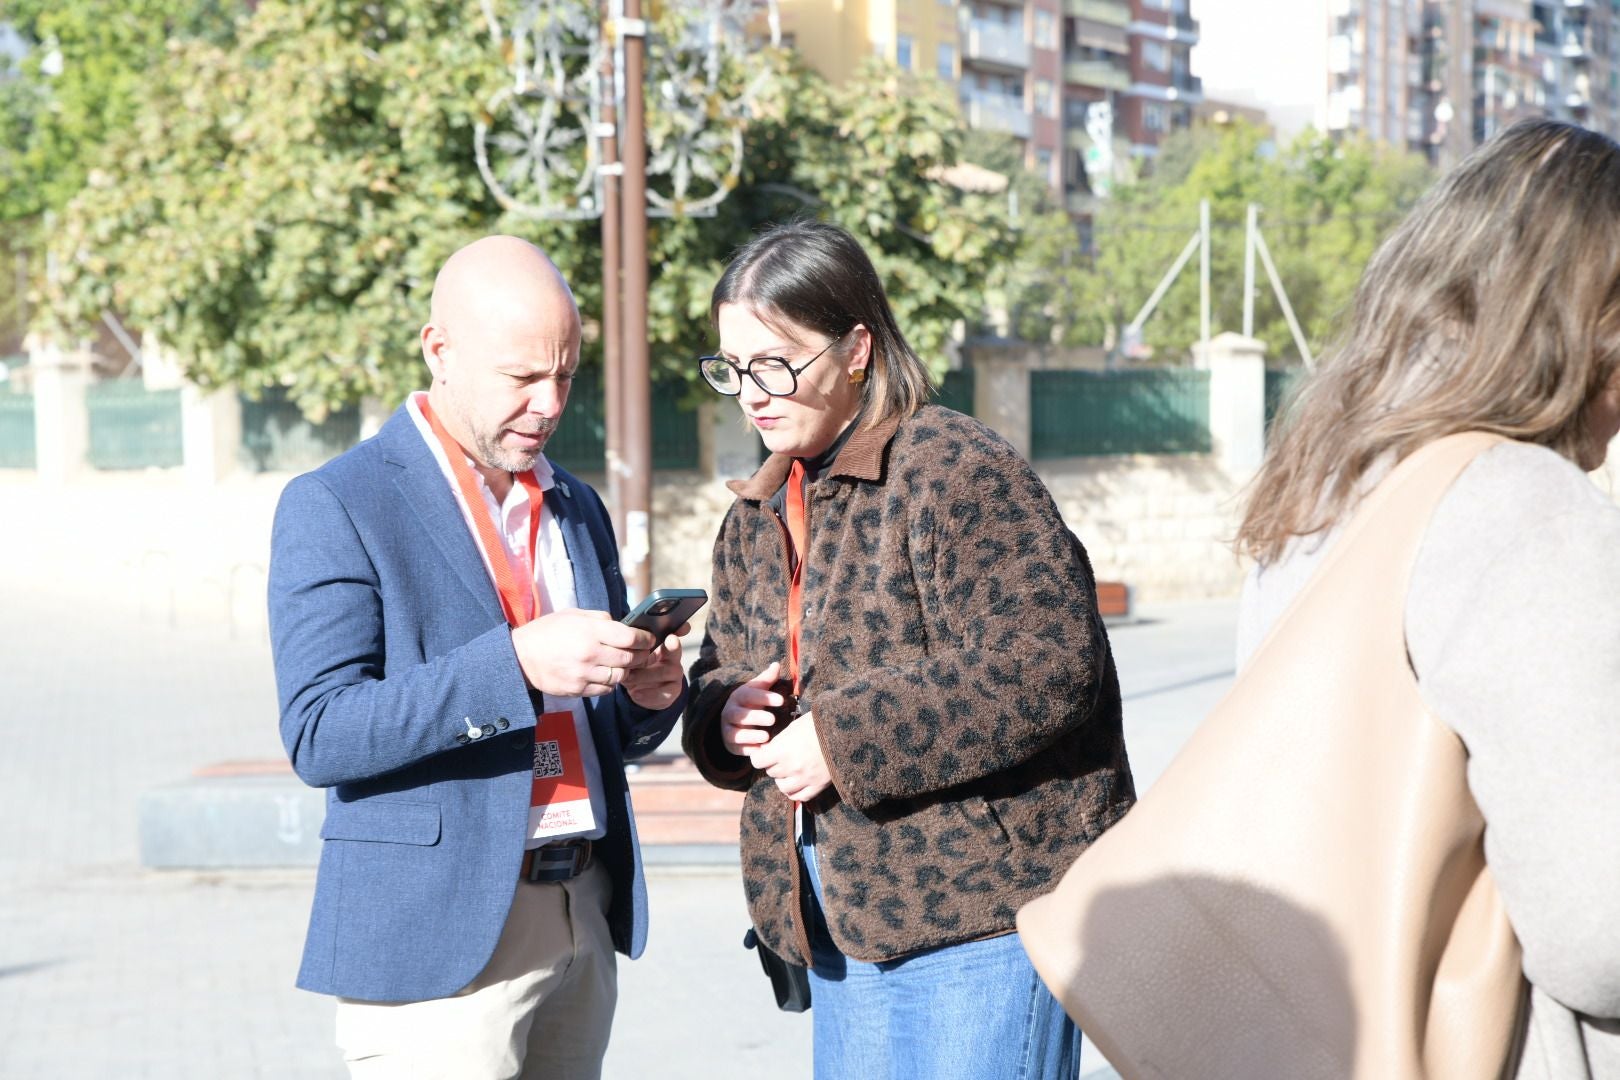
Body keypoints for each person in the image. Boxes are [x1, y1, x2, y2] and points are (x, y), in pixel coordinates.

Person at [681, 219, 1135, 1079]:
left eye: (776, 363)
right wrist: (723, 712)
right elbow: (720, 665)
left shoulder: (952, 467)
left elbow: (1046, 662)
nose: (751, 392)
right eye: (732, 368)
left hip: (985, 918)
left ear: (857, 349)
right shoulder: (756, 510)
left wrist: (842, 739)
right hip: (836, 919)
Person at [1235, 119, 1620, 1079]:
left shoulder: (1325, 480)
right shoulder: (1518, 503)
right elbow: (1600, 930)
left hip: (1324, 1025)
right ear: (1583, 321)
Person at [267, 235, 688, 1079]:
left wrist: (645, 696)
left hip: (581, 905)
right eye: (522, 377)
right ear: (440, 350)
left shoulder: (576, 503)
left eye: (564, 376)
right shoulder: (336, 504)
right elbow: (320, 733)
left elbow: (606, 727)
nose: (548, 404)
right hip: (439, 939)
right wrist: (517, 665)